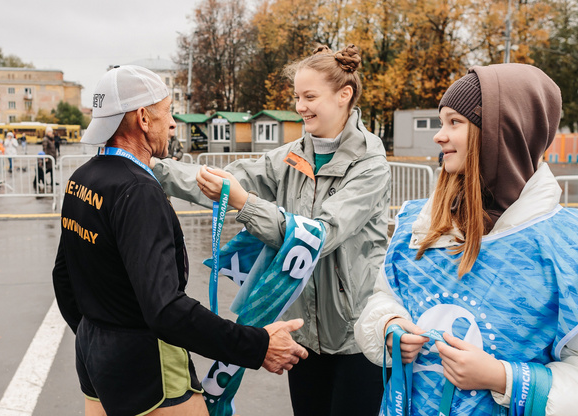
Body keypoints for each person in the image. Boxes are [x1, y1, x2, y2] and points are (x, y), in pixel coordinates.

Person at [52, 65, 308, 416]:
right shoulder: (138, 191)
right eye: (167, 111)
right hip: (148, 366)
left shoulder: (83, 176)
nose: (173, 124)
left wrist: (99, 336)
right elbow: (165, 309)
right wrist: (257, 345)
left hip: (94, 356)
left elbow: (63, 277)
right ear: (143, 118)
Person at [151, 45, 391, 416]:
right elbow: (221, 179)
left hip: (356, 339)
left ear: (344, 96)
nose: (300, 106)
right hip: (304, 335)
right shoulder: (290, 155)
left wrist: (246, 204)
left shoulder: (370, 164)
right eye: (297, 96)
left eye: (310, 96)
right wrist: (146, 165)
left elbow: (320, 235)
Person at [354, 64, 578, 415]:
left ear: (501, 133)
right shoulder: (421, 221)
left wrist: (502, 378)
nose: (439, 136)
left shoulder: (565, 245)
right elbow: (384, 296)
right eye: (441, 122)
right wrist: (388, 325)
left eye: (454, 122)